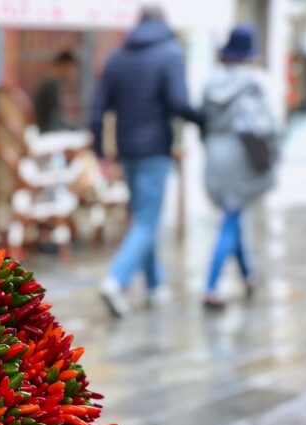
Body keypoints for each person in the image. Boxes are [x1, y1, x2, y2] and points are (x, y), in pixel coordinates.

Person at [90, 5, 203, 317]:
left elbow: (97, 110)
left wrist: (100, 152)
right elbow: (179, 102)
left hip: (127, 150)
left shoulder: (117, 57)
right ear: (163, 22)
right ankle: (116, 280)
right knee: (147, 220)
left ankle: (155, 285)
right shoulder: (170, 53)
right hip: (155, 149)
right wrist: (204, 120)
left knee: (143, 216)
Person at [201, 25, 279, 308]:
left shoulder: (211, 83)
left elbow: (204, 121)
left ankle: (248, 275)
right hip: (241, 156)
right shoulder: (255, 83)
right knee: (231, 219)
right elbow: (267, 124)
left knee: (233, 215)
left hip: (215, 154)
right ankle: (211, 286)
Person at [34, 50, 78, 133]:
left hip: (48, 129)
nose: (71, 73)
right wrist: (73, 127)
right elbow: (55, 116)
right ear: (63, 65)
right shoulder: (51, 84)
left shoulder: (51, 81)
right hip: (48, 132)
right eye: (71, 68)